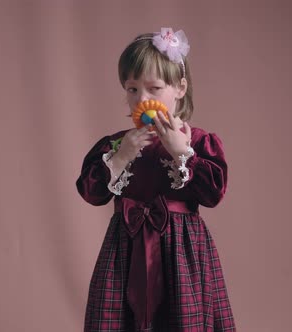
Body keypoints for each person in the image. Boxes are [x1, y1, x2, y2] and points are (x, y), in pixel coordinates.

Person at [76, 27, 236, 331]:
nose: (141, 98)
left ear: (180, 87)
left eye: (154, 88)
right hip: (126, 249)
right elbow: (91, 192)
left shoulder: (198, 142)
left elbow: (214, 193)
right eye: (132, 89)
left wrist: (183, 153)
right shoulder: (115, 144)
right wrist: (121, 157)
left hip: (182, 252)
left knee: (182, 320)